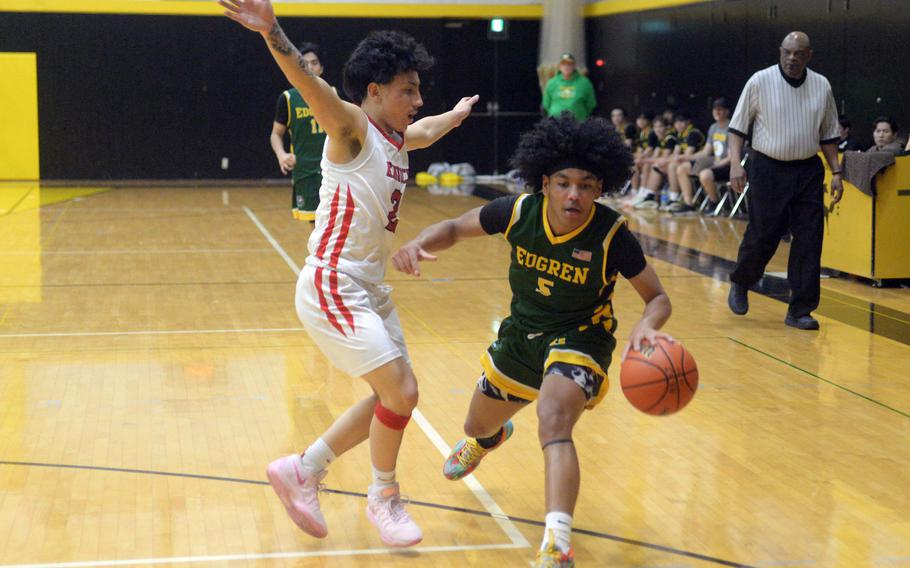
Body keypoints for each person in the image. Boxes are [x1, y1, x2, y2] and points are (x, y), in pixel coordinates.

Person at [219, 0, 479, 547]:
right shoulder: (353, 127)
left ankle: (304, 469)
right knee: (401, 391)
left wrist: (454, 115)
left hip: (370, 288)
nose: (417, 99)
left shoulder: (396, 138)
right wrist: (272, 32)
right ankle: (381, 497)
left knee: (398, 397)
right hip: (334, 283)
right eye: (408, 88)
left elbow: (426, 130)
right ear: (375, 91)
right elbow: (307, 84)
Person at [392, 114, 673, 567]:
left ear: (600, 189)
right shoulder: (517, 211)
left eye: (585, 185)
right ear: (545, 183)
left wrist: (647, 326)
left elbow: (657, 297)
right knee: (474, 426)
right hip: (522, 333)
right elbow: (453, 229)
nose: (573, 195)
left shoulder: (612, 235)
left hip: (581, 336)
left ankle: (557, 543)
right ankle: (488, 440)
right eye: (563, 183)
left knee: (553, 419)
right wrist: (417, 244)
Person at [726, 31, 842, 330]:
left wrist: (837, 172)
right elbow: (737, 129)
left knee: (809, 239)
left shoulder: (822, 85)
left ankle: (800, 309)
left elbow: (829, 134)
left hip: (807, 170)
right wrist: (735, 166)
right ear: (780, 52)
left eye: (798, 53)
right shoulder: (759, 81)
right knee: (764, 233)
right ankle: (741, 281)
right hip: (767, 167)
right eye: (787, 52)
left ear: (809, 55)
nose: (792, 58)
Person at [270, 42, 327, 221]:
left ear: (321, 68)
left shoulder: (333, 95)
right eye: (304, 63)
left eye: (314, 62)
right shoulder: (288, 98)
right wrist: (281, 155)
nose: (310, 67)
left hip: (332, 169)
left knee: (337, 222)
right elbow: (276, 134)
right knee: (315, 223)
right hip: (305, 170)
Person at [670, 98, 732, 215]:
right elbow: (705, 153)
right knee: (682, 168)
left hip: (727, 164)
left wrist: (717, 164)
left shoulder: (731, 127)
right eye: (715, 109)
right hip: (714, 161)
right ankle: (689, 204)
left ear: (727, 111)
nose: (717, 112)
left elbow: (731, 157)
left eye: (720, 109)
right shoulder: (713, 127)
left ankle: (714, 202)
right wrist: (686, 157)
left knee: (704, 174)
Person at [542, 53, 596, 121]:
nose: (566, 67)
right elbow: (546, 104)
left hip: (578, 124)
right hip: (556, 124)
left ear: (574, 66)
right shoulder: (552, 82)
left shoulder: (585, 83)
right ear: (559, 67)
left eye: (569, 64)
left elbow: (591, 104)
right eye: (563, 64)